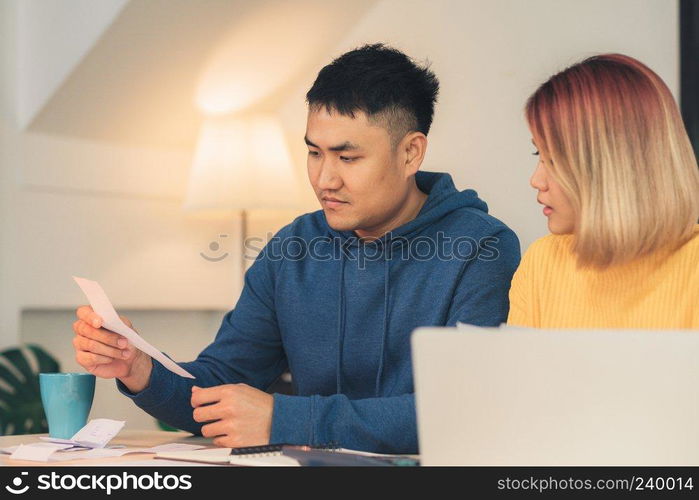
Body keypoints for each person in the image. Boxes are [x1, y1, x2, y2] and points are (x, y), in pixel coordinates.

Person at [71, 44, 520, 454]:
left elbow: (462, 410)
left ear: (410, 154)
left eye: (347, 158)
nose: (325, 179)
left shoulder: (481, 249)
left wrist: (286, 419)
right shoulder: (293, 248)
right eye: (314, 153)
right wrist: (140, 367)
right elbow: (220, 387)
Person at [508, 53, 699, 329]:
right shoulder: (542, 263)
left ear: (614, 164)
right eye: (538, 153)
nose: (536, 180)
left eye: (554, 159)